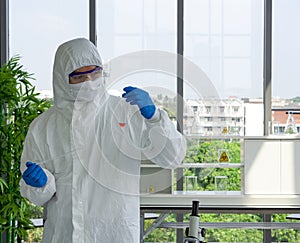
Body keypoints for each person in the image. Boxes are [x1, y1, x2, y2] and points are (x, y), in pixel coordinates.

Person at [20, 37, 186, 243]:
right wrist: (41, 184)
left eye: (95, 72)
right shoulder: (43, 127)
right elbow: (36, 197)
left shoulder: (125, 112)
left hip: (116, 232)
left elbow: (172, 158)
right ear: (62, 80)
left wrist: (154, 118)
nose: (89, 82)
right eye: (79, 77)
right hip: (64, 234)